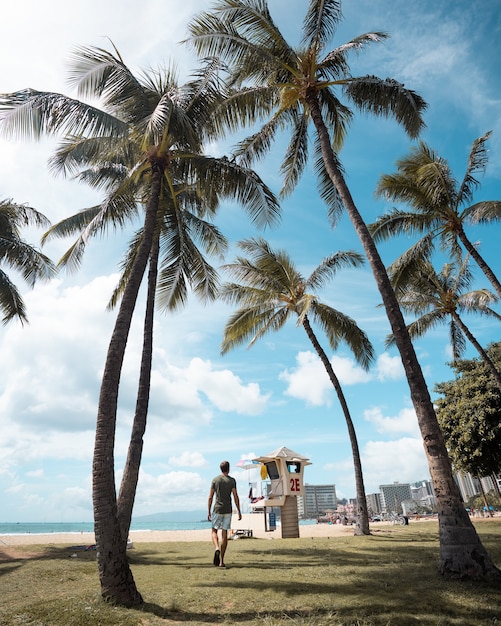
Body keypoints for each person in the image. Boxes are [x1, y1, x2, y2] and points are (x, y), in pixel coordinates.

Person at [207, 460, 242, 568]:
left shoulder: (215, 480)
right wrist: (239, 511)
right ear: (229, 468)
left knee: (214, 531)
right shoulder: (232, 481)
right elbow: (235, 496)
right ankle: (221, 561)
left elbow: (210, 497)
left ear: (220, 469)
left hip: (217, 509)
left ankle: (216, 548)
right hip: (228, 509)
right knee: (224, 534)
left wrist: (208, 511)